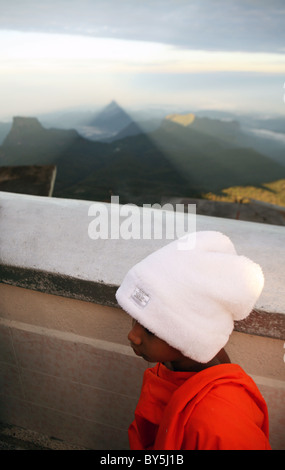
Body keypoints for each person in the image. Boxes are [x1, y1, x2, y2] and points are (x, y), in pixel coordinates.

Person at [115, 231, 272, 450]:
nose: (133, 336)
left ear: (190, 336)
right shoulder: (173, 367)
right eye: (136, 319)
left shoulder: (219, 425)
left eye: (151, 329)